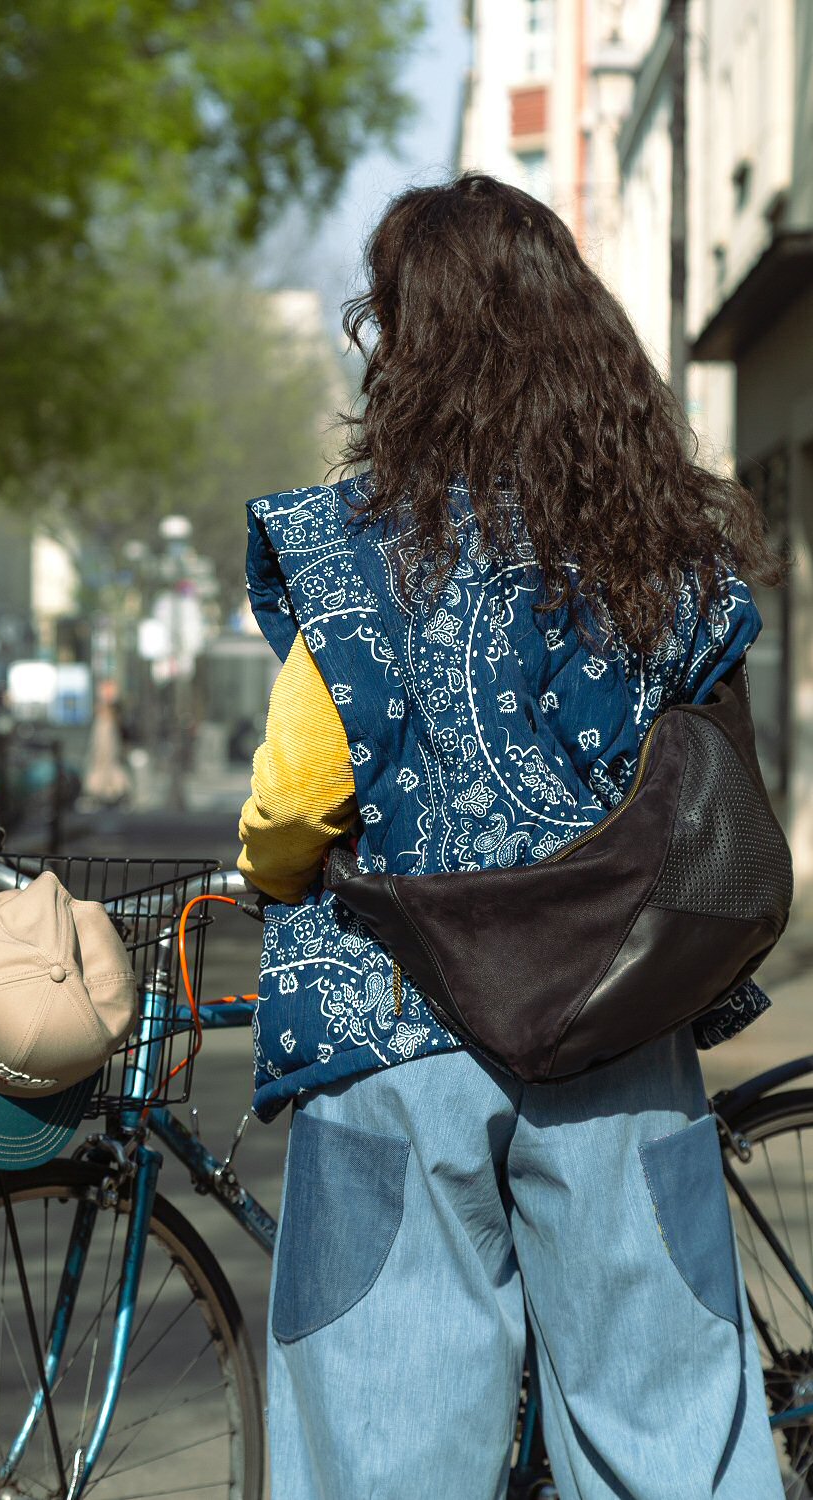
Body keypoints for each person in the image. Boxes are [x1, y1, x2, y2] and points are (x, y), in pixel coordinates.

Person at [236, 175, 788, 1500]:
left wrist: (270, 873)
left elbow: (301, 795)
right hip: (617, 1028)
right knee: (672, 1431)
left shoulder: (360, 549)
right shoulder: (656, 546)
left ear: (404, 341)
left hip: (395, 1038)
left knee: (386, 1439)